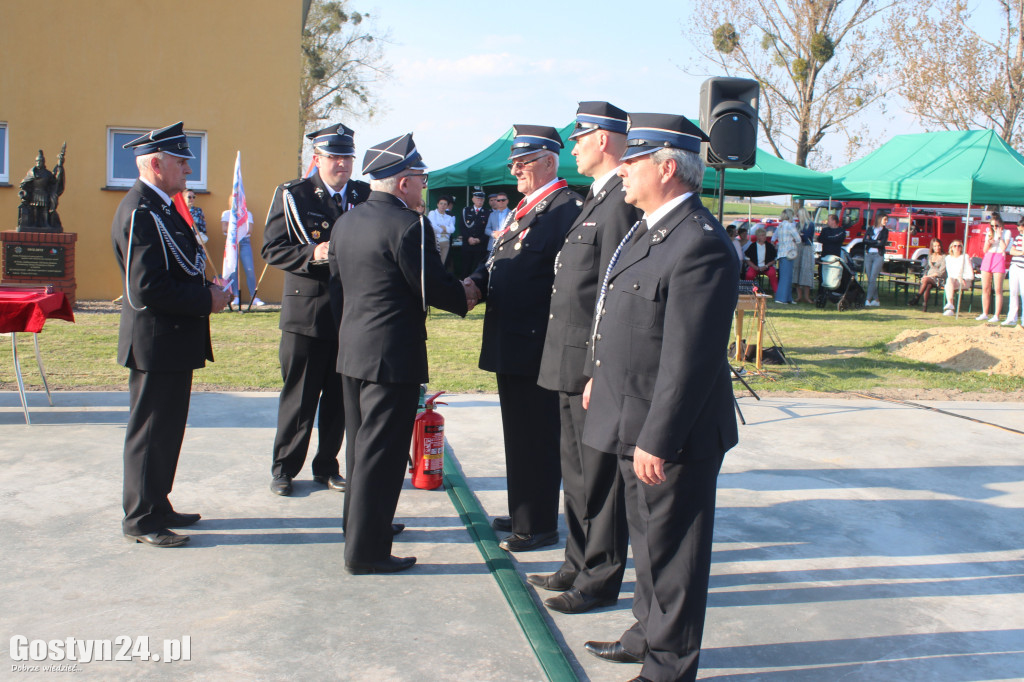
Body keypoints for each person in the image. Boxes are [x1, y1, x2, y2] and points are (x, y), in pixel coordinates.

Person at [580, 113, 738, 682]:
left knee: (674, 557)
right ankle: (645, 634)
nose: (621, 170)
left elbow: (688, 361)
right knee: (647, 546)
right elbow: (625, 320)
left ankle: (669, 668)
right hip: (631, 414)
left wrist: (659, 439)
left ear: (667, 168)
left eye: (633, 161)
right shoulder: (647, 229)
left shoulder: (699, 246)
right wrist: (603, 374)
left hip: (671, 434)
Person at [330, 133, 470, 574]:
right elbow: (436, 289)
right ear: (405, 181)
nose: (424, 188)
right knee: (383, 455)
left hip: (353, 349)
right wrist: (473, 290)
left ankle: (360, 530)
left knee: (360, 451)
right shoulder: (410, 225)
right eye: (422, 180)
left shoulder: (347, 222)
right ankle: (367, 552)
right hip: (391, 355)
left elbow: (338, 288)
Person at [531, 102, 640, 615]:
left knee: (599, 478)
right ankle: (577, 561)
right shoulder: (596, 199)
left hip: (589, 366)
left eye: (580, 137)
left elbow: (612, 295)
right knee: (575, 472)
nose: (572, 147)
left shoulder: (620, 202)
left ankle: (599, 576)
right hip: (566, 359)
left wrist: (599, 367)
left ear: (604, 140)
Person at [111, 122, 232, 547]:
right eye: (180, 160)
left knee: (166, 430)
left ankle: (157, 502)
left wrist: (207, 291)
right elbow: (147, 288)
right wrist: (207, 301)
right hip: (156, 341)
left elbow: (177, 267)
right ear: (155, 163)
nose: (187, 167)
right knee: (149, 432)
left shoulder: (163, 206)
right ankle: (140, 519)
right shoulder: (140, 211)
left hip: (174, 339)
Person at [465, 125, 583, 552]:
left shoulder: (566, 209)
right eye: (513, 162)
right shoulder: (528, 208)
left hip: (537, 344)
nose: (514, 169)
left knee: (537, 434)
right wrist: (473, 283)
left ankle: (538, 524)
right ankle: (522, 511)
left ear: (550, 162)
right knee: (518, 432)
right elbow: (497, 260)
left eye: (523, 162)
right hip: (511, 339)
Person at [261, 123, 370, 496]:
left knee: (340, 398)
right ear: (317, 159)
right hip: (306, 315)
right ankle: (284, 468)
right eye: (334, 157)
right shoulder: (294, 195)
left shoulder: (364, 195)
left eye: (347, 157)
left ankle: (328, 465)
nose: (342, 164)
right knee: (299, 397)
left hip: (350, 315)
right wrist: (313, 253)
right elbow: (272, 248)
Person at [221, 204, 264, 307]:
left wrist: (234, 228)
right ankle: (236, 296)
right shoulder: (227, 213)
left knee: (249, 269)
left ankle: (253, 297)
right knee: (233, 270)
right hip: (232, 242)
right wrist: (240, 228)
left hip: (244, 242)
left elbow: (249, 229)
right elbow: (224, 228)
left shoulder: (247, 214)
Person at [976, 214, 1009, 322]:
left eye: (996, 225)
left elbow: (1004, 248)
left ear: (1001, 225)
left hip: (999, 258)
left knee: (998, 289)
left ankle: (996, 315)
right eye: (992, 225)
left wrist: (999, 237)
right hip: (988, 257)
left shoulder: (1006, 233)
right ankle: (985, 313)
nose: (994, 228)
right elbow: (985, 250)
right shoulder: (989, 233)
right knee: (985, 288)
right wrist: (988, 242)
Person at [460, 190, 491, 277]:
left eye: (481, 199)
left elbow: (488, 229)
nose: (480, 201)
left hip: (480, 246)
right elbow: (462, 227)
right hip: (467, 244)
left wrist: (479, 240)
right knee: (465, 268)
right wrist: (469, 238)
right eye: (477, 199)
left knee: (478, 269)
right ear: (473, 199)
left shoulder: (487, 212)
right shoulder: (466, 210)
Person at [909, 239, 945, 312]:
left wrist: (928, 277)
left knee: (926, 280)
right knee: (927, 285)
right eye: (935, 246)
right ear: (932, 247)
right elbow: (926, 268)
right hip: (928, 278)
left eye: (938, 246)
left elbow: (941, 272)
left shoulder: (944, 257)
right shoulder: (930, 256)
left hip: (938, 278)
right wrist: (925, 275)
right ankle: (924, 305)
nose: (937, 247)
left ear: (941, 246)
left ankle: (916, 298)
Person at [772, 208, 800, 304]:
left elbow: (774, 237)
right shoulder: (790, 226)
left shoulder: (780, 225)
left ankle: (788, 298)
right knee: (787, 277)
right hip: (789, 252)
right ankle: (781, 298)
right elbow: (798, 239)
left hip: (781, 252)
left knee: (784, 276)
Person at [863, 213, 889, 307]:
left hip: (878, 255)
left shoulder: (885, 231)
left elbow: (882, 243)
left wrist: (871, 241)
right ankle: (876, 300)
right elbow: (864, 240)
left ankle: (868, 300)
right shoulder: (870, 229)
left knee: (873, 277)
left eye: (887, 220)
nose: (886, 221)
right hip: (868, 254)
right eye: (885, 219)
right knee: (870, 278)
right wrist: (875, 242)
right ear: (879, 219)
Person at [943, 241, 975, 316]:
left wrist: (962, 278)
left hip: (965, 281)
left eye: (959, 246)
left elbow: (970, 274)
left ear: (961, 248)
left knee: (948, 284)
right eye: (955, 246)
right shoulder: (948, 258)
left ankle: (950, 306)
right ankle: (950, 305)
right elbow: (950, 273)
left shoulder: (965, 257)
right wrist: (958, 277)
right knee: (949, 281)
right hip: (953, 280)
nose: (957, 247)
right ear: (951, 248)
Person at [743, 226, 778, 293]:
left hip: (767, 266)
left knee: (772, 273)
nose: (764, 237)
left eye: (765, 235)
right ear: (758, 237)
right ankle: (748, 291)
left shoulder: (769, 246)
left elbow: (774, 259)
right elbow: (747, 259)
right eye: (762, 235)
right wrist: (755, 267)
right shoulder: (752, 246)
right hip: (755, 266)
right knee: (749, 275)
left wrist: (766, 266)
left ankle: (777, 292)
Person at [792, 207, 816, 303]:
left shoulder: (810, 224)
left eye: (798, 214)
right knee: (797, 271)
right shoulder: (797, 225)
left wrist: (800, 235)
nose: (797, 216)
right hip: (798, 248)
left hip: (806, 248)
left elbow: (806, 237)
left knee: (806, 271)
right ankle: (799, 296)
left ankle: (807, 296)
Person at [1003, 226, 1024, 327]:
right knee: (1013, 293)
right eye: (1019, 230)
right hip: (1015, 266)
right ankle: (1011, 318)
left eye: (1022, 230)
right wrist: (1020, 253)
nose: (1020, 232)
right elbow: (1011, 251)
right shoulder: (1018, 237)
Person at [427, 196, 455, 265]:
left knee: (442, 264)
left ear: (447, 206)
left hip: (446, 243)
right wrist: (445, 230)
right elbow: (433, 227)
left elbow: (452, 229)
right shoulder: (432, 213)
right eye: (441, 203)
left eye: (445, 204)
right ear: (437, 204)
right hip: (435, 241)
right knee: (434, 263)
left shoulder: (449, 217)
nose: (443, 206)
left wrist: (442, 227)